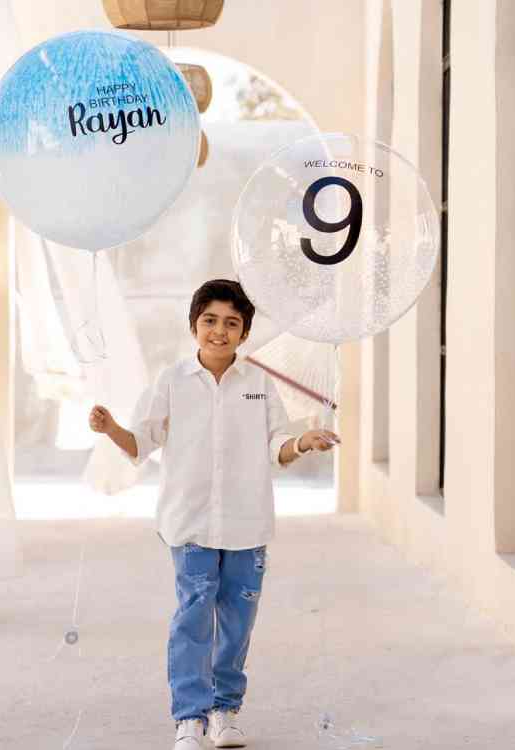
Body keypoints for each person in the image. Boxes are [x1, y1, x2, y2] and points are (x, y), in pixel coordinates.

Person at [89, 279, 340, 749]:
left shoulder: (259, 384)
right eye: (210, 320)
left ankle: (225, 711)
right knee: (193, 616)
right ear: (193, 325)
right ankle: (190, 718)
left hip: (247, 523)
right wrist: (111, 429)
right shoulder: (171, 381)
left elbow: (276, 445)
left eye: (231, 323)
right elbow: (141, 444)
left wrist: (303, 442)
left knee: (237, 623)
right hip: (190, 524)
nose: (219, 331)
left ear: (244, 333)